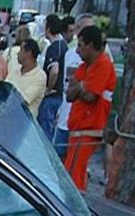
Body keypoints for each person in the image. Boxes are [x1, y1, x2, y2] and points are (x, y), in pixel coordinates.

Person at [63, 24, 116, 191]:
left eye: (80, 45)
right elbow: (70, 95)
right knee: (71, 174)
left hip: (88, 130)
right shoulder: (84, 67)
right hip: (77, 130)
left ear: (91, 46)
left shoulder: (103, 65)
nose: (77, 51)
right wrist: (80, 87)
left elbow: (91, 96)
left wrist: (79, 87)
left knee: (74, 179)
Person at [53, 14, 93, 158]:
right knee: (57, 159)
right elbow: (66, 85)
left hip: (84, 124)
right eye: (83, 28)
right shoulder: (70, 54)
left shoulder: (101, 56)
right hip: (64, 119)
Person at [37, 14, 67, 141]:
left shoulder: (54, 48)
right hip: (60, 96)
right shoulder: (64, 45)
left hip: (52, 97)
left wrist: (48, 89)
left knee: (45, 133)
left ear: (48, 28)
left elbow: (54, 71)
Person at [7, 38, 45, 117]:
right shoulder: (15, 70)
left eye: (21, 49)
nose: (18, 53)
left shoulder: (40, 76)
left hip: (24, 123)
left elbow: (23, 100)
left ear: (29, 53)